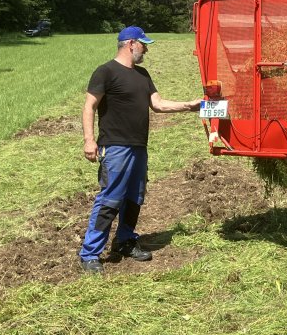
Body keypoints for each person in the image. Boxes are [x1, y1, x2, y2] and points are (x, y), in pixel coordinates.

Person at [79, 26, 202, 273]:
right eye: (144, 44)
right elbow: (89, 106)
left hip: (138, 147)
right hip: (115, 147)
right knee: (110, 200)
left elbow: (158, 104)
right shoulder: (106, 71)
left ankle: (124, 241)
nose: (146, 49)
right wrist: (89, 140)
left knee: (135, 198)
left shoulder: (142, 75)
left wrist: (190, 106)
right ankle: (90, 254)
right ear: (130, 43)